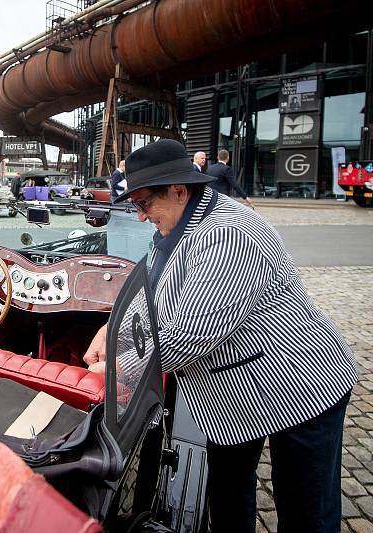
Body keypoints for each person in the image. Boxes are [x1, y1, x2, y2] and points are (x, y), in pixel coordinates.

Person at [83, 139, 357, 532]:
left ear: (178, 190)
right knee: (227, 493)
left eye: (144, 204)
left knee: (306, 510)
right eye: (135, 206)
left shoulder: (226, 235)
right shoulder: (176, 221)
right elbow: (153, 286)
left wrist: (118, 367)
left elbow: (192, 337)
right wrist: (112, 330)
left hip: (303, 383)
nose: (141, 217)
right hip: (237, 394)